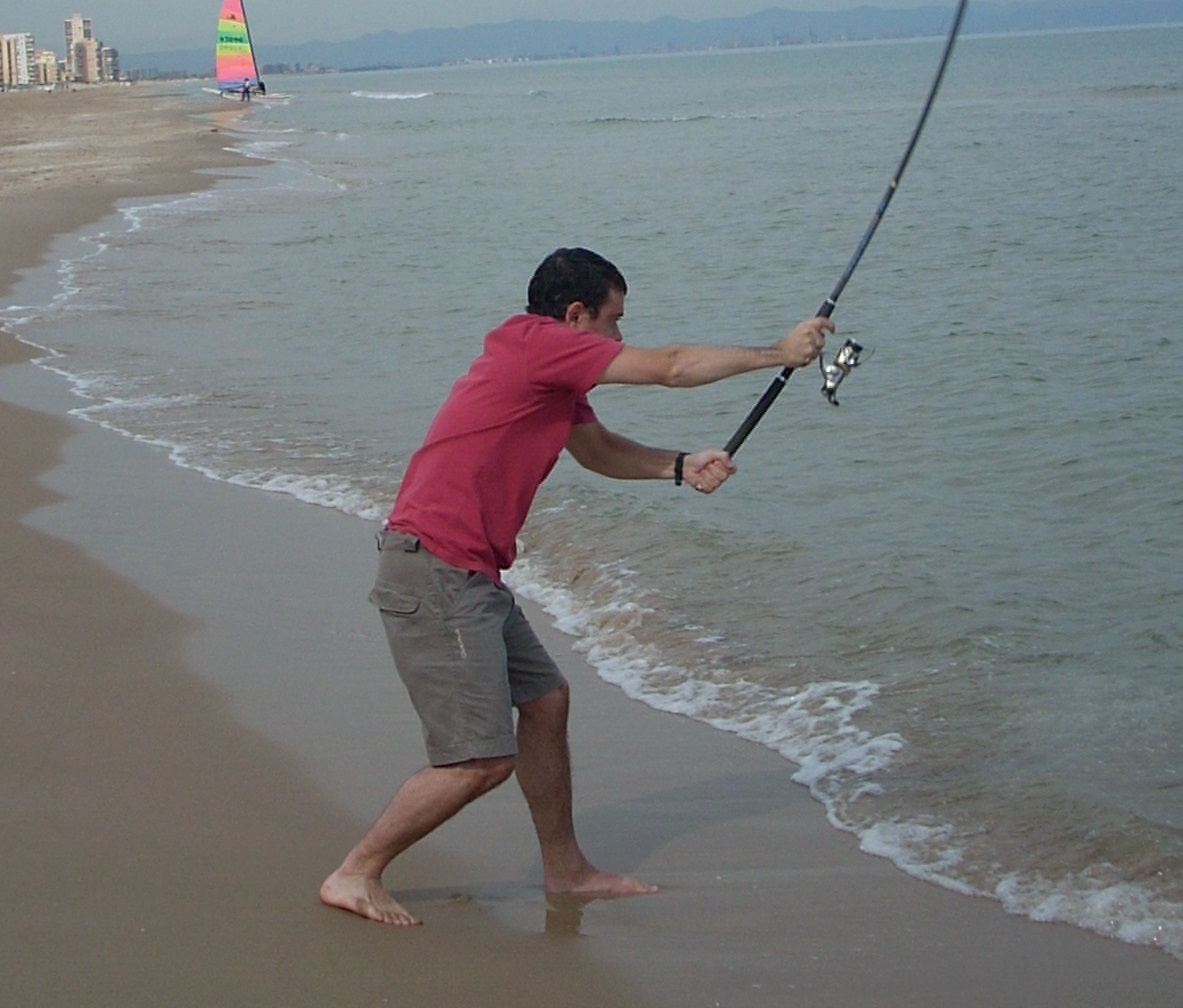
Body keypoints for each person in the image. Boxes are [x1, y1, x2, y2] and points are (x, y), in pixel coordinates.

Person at [319, 246, 831, 927]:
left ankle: (566, 870)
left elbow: (599, 452)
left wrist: (680, 467)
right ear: (575, 315)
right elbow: (672, 367)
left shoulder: (550, 374)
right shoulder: (540, 345)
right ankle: (356, 872)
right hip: (437, 568)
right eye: (614, 320)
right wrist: (776, 352)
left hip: (468, 570)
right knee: (479, 761)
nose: (620, 337)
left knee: (547, 701)